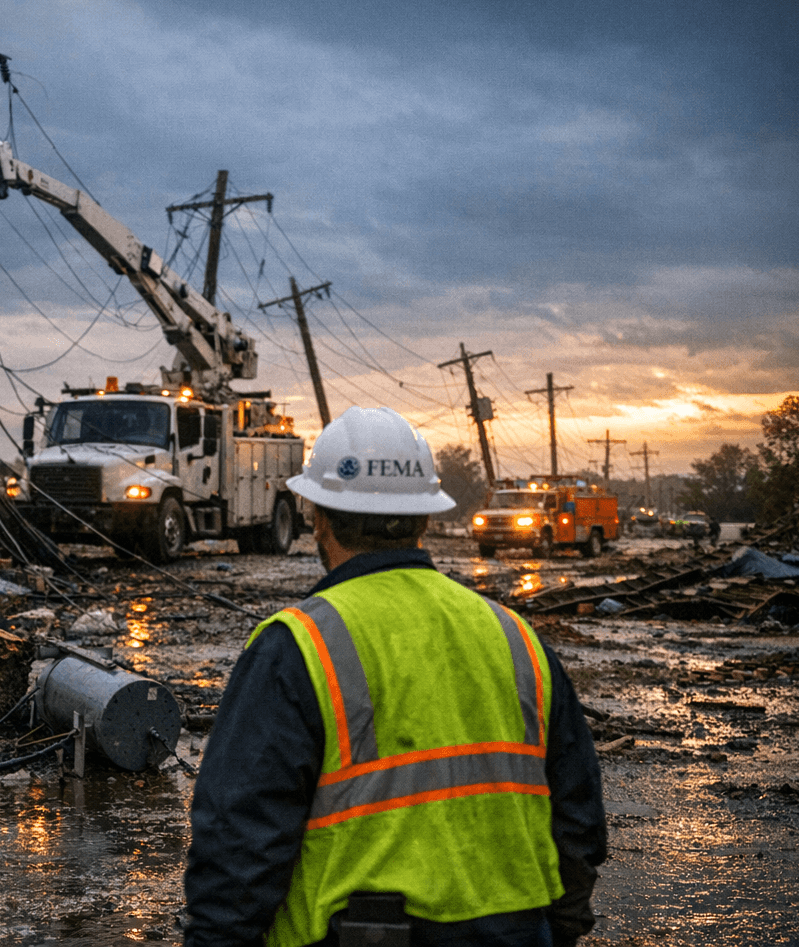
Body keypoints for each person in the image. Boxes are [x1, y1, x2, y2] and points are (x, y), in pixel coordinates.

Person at [185, 406, 606, 947]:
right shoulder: (515, 637)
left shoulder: (297, 646)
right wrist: (557, 927)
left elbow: (239, 843)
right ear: (425, 520)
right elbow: (578, 817)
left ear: (318, 517)